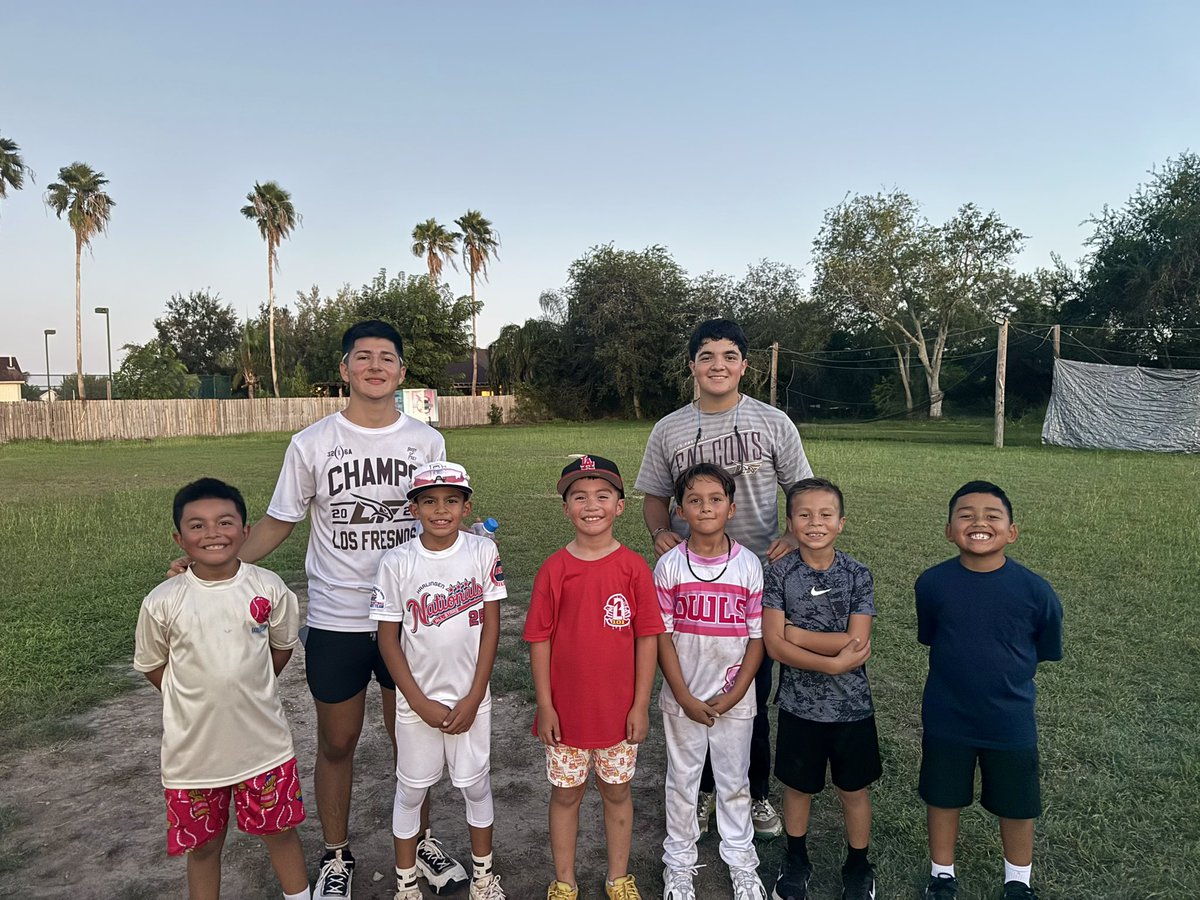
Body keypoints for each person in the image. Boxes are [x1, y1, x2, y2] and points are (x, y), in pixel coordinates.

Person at [168, 320, 464, 899]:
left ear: (402, 373)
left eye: (387, 358)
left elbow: (440, 514)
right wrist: (215, 565)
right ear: (344, 369)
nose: (375, 366)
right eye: (363, 357)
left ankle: (420, 839)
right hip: (337, 616)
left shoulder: (427, 443)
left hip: (410, 616)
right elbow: (281, 519)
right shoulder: (311, 443)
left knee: (413, 741)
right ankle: (336, 853)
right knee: (336, 741)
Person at [636, 318, 813, 840]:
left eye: (729, 356)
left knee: (749, 689)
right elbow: (652, 496)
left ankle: (754, 791)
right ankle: (707, 787)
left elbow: (803, 490)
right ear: (691, 365)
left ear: (744, 365)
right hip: (692, 578)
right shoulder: (669, 428)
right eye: (707, 356)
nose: (718, 365)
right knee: (692, 678)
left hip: (756, 577)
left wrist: (791, 534)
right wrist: (659, 532)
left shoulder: (772, 421)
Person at [134, 478, 310, 900]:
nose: (212, 533)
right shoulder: (162, 601)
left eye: (225, 522)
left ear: (245, 532)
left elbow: (281, 647)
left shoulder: (268, 588)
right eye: (197, 526)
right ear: (179, 537)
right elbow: (152, 665)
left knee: (281, 834)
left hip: (263, 748)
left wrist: (248, 684)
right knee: (205, 848)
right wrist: (191, 695)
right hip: (193, 758)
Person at [523, 455, 665, 900]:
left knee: (617, 793)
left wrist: (640, 704)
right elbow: (539, 639)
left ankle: (617, 877)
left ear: (620, 506)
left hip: (619, 715)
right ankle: (564, 881)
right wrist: (545, 705)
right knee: (566, 796)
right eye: (579, 496)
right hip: (565, 717)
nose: (591, 505)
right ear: (565, 507)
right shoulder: (554, 569)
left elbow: (647, 639)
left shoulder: (634, 568)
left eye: (603, 495)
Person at [916, 481, 1063, 900]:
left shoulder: (1036, 591)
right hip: (947, 715)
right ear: (948, 530)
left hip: (1010, 719)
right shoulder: (932, 584)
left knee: (1017, 803)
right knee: (944, 797)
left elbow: (1044, 647)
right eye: (965, 515)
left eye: (992, 515)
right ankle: (941, 875)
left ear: (1012, 531)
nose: (978, 522)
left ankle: (1018, 881)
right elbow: (932, 635)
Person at [370, 461, 507, 900]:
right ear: (414, 509)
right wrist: (418, 700)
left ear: (467, 507)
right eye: (429, 501)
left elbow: (491, 626)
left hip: (471, 697)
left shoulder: (482, 552)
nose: (441, 510)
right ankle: (406, 884)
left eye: (451, 501)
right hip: (418, 702)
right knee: (410, 790)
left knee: (476, 785)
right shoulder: (397, 561)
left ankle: (483, 879)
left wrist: (475, 694)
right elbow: (387, 639)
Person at [761, 478, 879, 900]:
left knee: (854, 789)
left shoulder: (857, 574)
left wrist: (796, 632)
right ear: (790, 522)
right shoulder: (778, 573)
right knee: (798, 787)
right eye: (804, 515)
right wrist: (831, 659)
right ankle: (796, 860)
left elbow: (857, 642)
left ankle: (858, 864)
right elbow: (773, 645)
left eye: (826, 515)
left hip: (852, 708)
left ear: (841, 523)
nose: (815, 523)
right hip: (799, 706)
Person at [654, 463, 767, 900]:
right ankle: (678, 863)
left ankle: (741, 859)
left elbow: (757, 640)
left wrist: (734, 693)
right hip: (683, 697)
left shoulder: (748, 566)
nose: (705, 507)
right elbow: (661, 636)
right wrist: (683, 694)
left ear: (732, 508)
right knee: (682, 780)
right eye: (695, 500)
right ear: (680, 510)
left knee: (734, 779)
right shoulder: (668, 566)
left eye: (715, 499)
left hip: (734, 699)